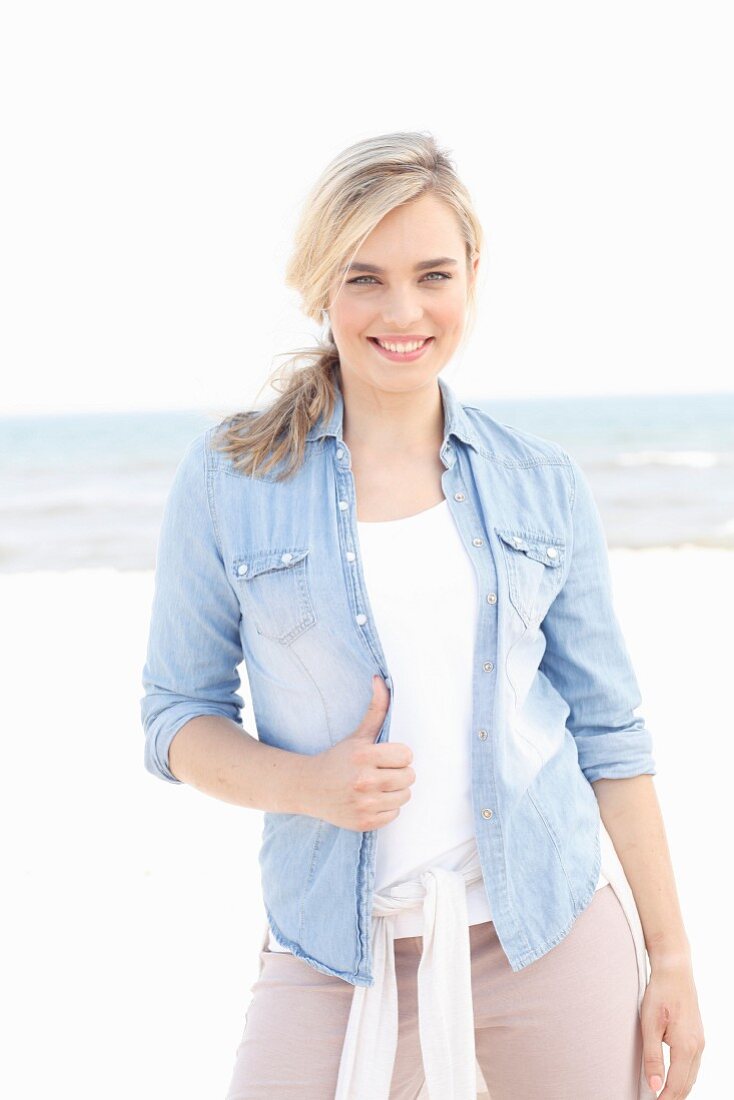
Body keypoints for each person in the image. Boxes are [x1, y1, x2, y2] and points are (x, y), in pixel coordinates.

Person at [140, 131, 704, 1099]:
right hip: (332, 941)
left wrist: (672, 961)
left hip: (549, 930)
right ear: (320, 285)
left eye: (431, 274)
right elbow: (174, 714)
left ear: (471, 277)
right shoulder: (231, 479)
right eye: (364, 277)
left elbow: (609, 732)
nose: (402, 312)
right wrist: (305, 782)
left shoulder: (539, 483)